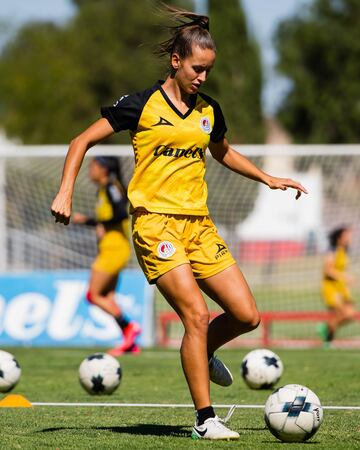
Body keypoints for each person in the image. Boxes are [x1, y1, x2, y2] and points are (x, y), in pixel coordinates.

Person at [51, 7, 307, 440]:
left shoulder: (209, 111)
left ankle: (200, 352)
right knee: (196, 315)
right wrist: (65, 191)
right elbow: (81, 141)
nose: (203, 78)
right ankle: (205, 420)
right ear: (176, 61)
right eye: (197, 69)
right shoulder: (140, 105)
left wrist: (267, 177)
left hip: (200, 227)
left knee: (247, 316)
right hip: (156, 227)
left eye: (208, 71)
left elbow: (223, 151)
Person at [73, 156, 141, 356]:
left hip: (115, 249)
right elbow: (106, 219)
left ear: (103, 169)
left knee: (92, 295)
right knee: (108, 296)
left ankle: (130, 327)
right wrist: (87, 221)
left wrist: (100, 223)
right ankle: (129, 343)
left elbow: (121, 213)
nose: (90, 170)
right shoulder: (103, 190)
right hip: (110, 248)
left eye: (93, 166)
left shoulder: (112, 187)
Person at [319, 226, 356, 346]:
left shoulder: (343, 250)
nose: (350, 237)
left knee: (349, 314)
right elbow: (328, 270)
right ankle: (327, 337)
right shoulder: (333, 250)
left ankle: (326, 330)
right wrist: (344, 277)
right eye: (347, 235)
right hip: (331, 287)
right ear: (339, 237)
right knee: (346, 314)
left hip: (341, 287)